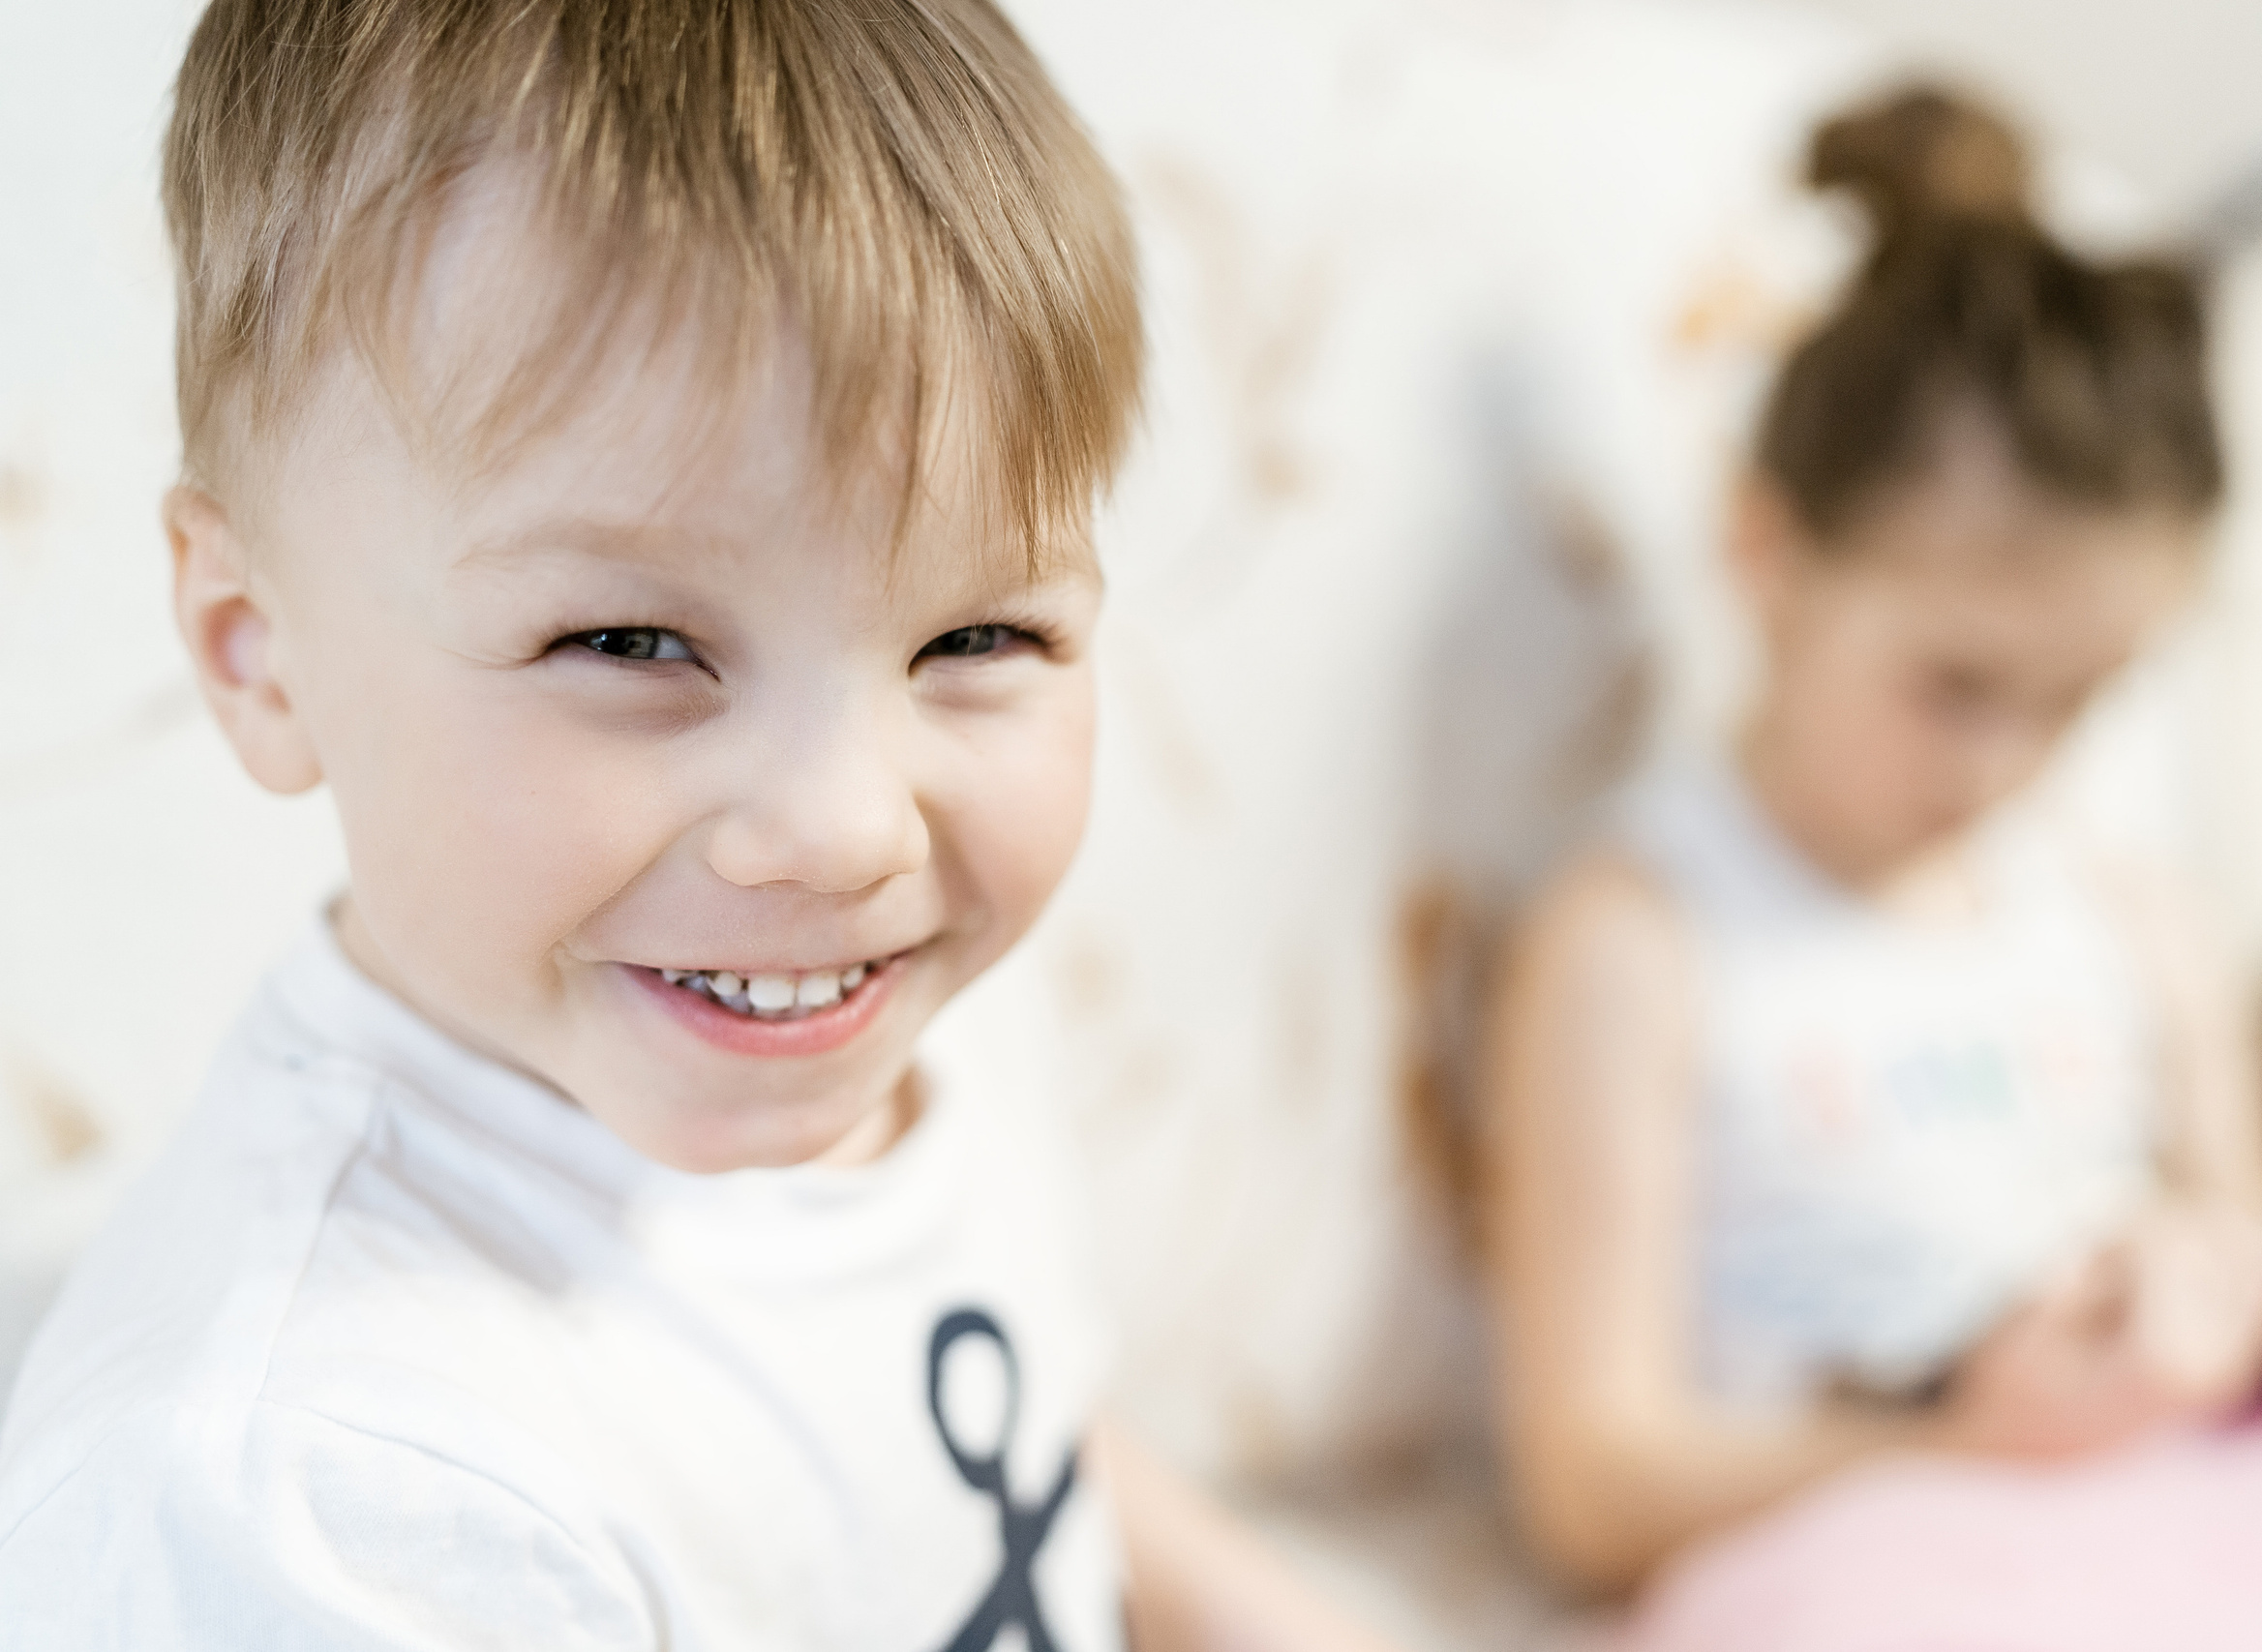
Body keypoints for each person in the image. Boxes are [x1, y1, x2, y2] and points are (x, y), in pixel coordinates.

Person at [0, 4, 1387, 1647]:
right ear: (259, 649)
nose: (847, 832)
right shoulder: (314, 1499)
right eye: (633, 646)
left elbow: (1032, 1449)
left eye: (976, 640)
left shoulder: (876, 1014)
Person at [1480, 82, 2262, 1627]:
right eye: (1957, 688)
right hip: (1892, 1541)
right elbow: (1589, 1480)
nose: (2010, 767)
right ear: (1767, 552)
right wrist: (1967, 1438)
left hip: (2212, 1509)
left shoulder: (2129, 916)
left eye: (2078, 700)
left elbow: (2244, 1249)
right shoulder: (1642, 940)